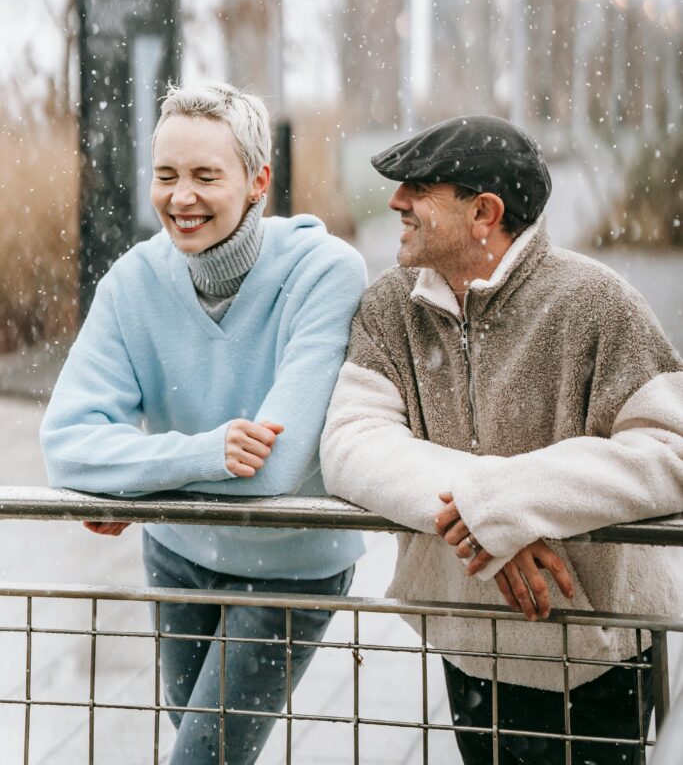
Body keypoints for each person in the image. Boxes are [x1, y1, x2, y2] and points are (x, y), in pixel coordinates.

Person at [321, 114, 683, 765]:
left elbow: (669, 450)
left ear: (483, 212)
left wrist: (510, 502)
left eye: (417, 189)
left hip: (596, 659)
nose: (395, 202)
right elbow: (350, 444)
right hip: (469, 645)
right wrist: (485, 516)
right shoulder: (388, 307)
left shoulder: (596, 303)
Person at [41, 82, 367, 765]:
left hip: (289, 566)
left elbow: (273, 471)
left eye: (204, 176)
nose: (179, 196)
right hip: (177, 554)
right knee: (205, 751)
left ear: (257, 181)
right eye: (165, 175)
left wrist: (133, 478)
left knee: (201, 759)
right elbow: (67, 447)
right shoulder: (133, 282)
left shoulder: (324, 273)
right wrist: (200, 455)